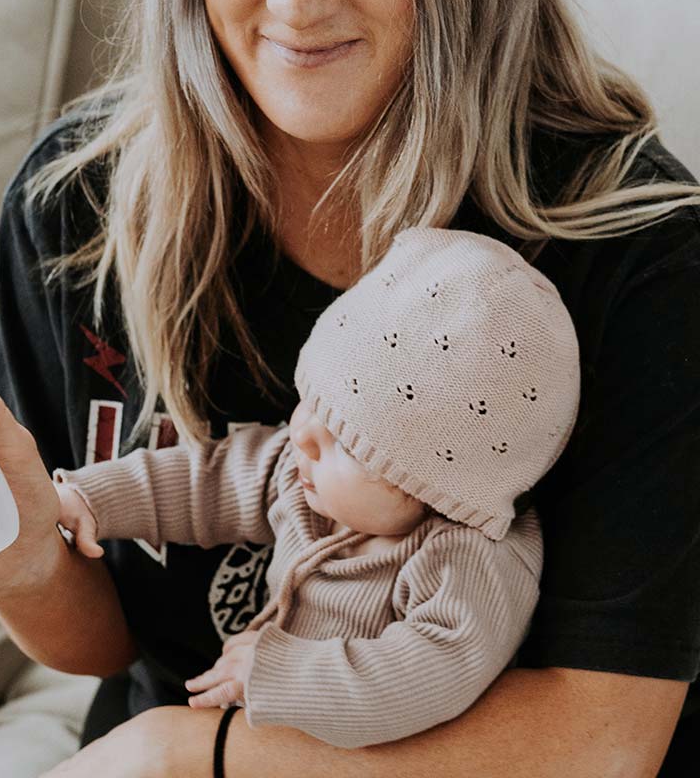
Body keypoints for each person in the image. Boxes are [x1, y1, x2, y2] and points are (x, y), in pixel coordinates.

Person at [0, 0, 700, 775]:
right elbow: (110, 638)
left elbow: (597, 743)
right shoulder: (77, 206)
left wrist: (185, 756)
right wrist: (17, 551)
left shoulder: (630, 246)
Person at [50, 226, 581, 748]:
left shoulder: (464, 564)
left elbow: (430, 677)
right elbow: (201, 482)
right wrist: (93, 499)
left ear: (437, 488)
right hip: (258, 746)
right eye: (312, 400)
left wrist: (283, 672)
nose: (301, 434)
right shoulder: (303, 477)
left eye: (345, 440)